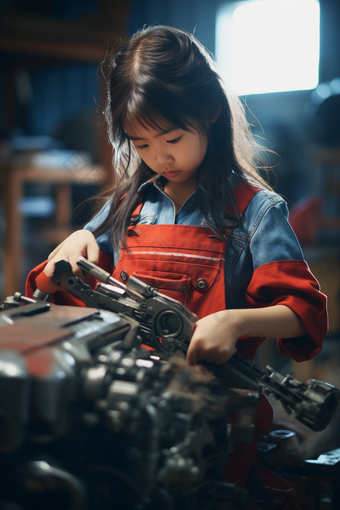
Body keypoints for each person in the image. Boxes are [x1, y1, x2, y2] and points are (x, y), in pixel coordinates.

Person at [26, 25, 327, 507]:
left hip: (216, 412)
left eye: (172, 138)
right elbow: (61, 286)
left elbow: (303, 309)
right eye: (141, 144)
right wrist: (79, 240)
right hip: (123, 401)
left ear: (209, 112)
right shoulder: (130, 204)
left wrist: (236, 321)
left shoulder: (255, 210)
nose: (160, 158)